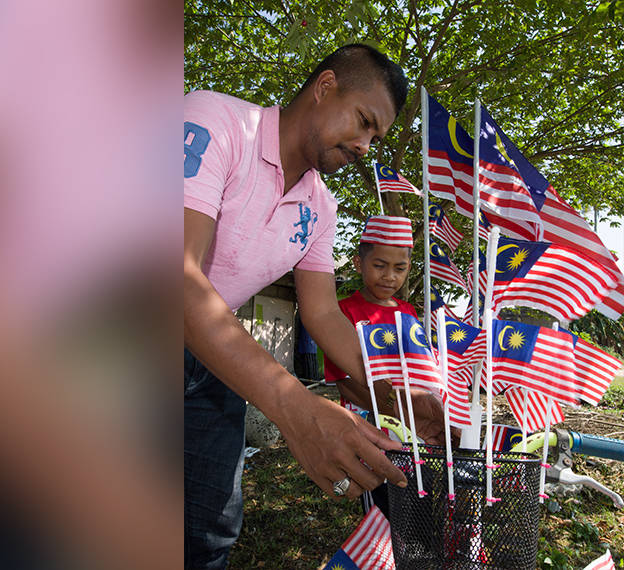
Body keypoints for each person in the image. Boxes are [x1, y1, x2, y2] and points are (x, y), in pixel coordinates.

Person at [184, 44, 447, 569]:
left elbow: (323, 314)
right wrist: (296, 410)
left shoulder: (321, 207)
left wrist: (392, 394)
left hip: (206, 358)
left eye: (376, 137)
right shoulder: (216, 121)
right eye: (363, 122)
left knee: (207, 530)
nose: (365, 145)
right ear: (325, 86)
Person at [324, 215, 451, 516]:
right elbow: (345, 382)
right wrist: (395, 409)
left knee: (422, 502)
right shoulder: (340, 312)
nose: (390, 276)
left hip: (416, 431)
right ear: (358, 263)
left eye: (400, 268)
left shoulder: (409, 312)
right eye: (379, 265)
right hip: (372, 430)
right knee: (384, 509)